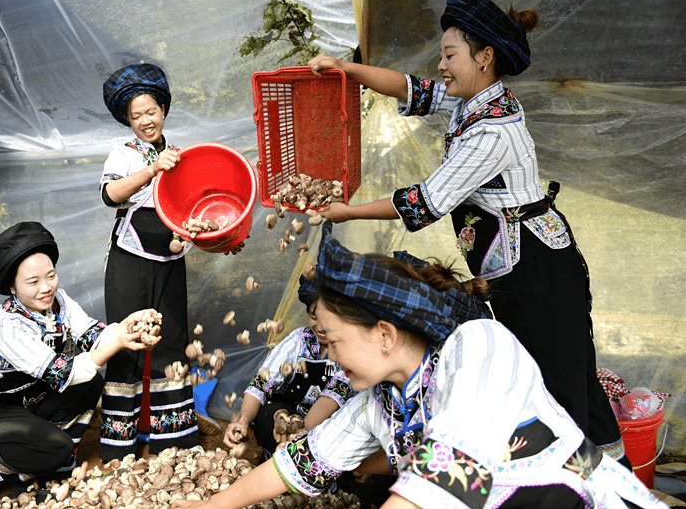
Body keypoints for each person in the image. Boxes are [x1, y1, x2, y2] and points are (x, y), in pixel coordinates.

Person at [306, 0, 628, 464]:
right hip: (514, 270)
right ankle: (619, 483)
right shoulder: (470, 103)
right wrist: (346, 69)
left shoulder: (494, 130)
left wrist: (346, 209)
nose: (440, 65)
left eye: (449, 54)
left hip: (538, 272)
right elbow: (409, 89)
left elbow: (426, 201)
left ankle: (575, 485)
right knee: (571, 378)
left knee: (558, 393)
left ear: (484, 58)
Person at [172, 221, 662, 509]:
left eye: (333, 340)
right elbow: (299, 463)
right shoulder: (378, 405)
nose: (330, 355)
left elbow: (453, 471)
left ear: (384, 335)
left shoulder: (478, 347)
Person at [0, 222, 159, 502]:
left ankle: (45, 454)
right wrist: (118, 342)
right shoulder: (8, 326)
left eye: (51, 276)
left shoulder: (59, 302)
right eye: (33, 282)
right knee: (58, 444)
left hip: (26, 402)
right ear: (12, 286)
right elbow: (67, 373)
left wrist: (126, 327)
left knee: (91, 384)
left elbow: (93, 335)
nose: (46, 288)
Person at [99, 63, 200, 460]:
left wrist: (220, 237)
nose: (145, 121)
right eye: (136, 115)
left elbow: (194, 212)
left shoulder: (182, 156)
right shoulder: (124, 154)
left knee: (172, 342)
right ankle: (119, 447)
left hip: (170, 261)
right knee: (127, 344)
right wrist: (152, 169)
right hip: (130, 261)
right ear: (127, 120)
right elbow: (110, 195)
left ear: (163, 109)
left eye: (151, 111)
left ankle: (174, 444)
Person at [223, 274, 356, 463]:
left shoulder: (352, 347)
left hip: (328, 422)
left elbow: (333, 396)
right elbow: (262, 382)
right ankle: (272, 464)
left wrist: (299, 433)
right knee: (267, 414)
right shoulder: (299, 340)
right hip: (289, 416)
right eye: (313, 317)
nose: (321, 326)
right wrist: (243, 420)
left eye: (330, 318)